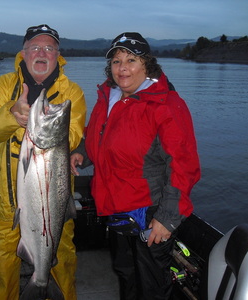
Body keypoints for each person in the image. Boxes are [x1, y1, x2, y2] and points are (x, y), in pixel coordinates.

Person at [71, 32, 200, 299]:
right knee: (126, 273)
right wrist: (84, 152)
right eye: (117, 61)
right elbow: (100, 135)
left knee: (151, 284)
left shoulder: (166, 104)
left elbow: (184, 166)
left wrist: (166, 218)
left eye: (131, 60)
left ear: (147, 64)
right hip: (116, 207)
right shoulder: (109, 96)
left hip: (150, 212)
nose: (123, 68)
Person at [0, 24, 86, 299]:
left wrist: (41, 124)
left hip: (55, 202)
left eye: (49, 48)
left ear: (57, 55)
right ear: (24, 53)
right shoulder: (2, 86)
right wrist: (12, 114)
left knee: (62, 263)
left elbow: (72, 135)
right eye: (36, 47)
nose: (42, 52)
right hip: (7, 202)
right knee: (1, 269)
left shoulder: (72, 92)